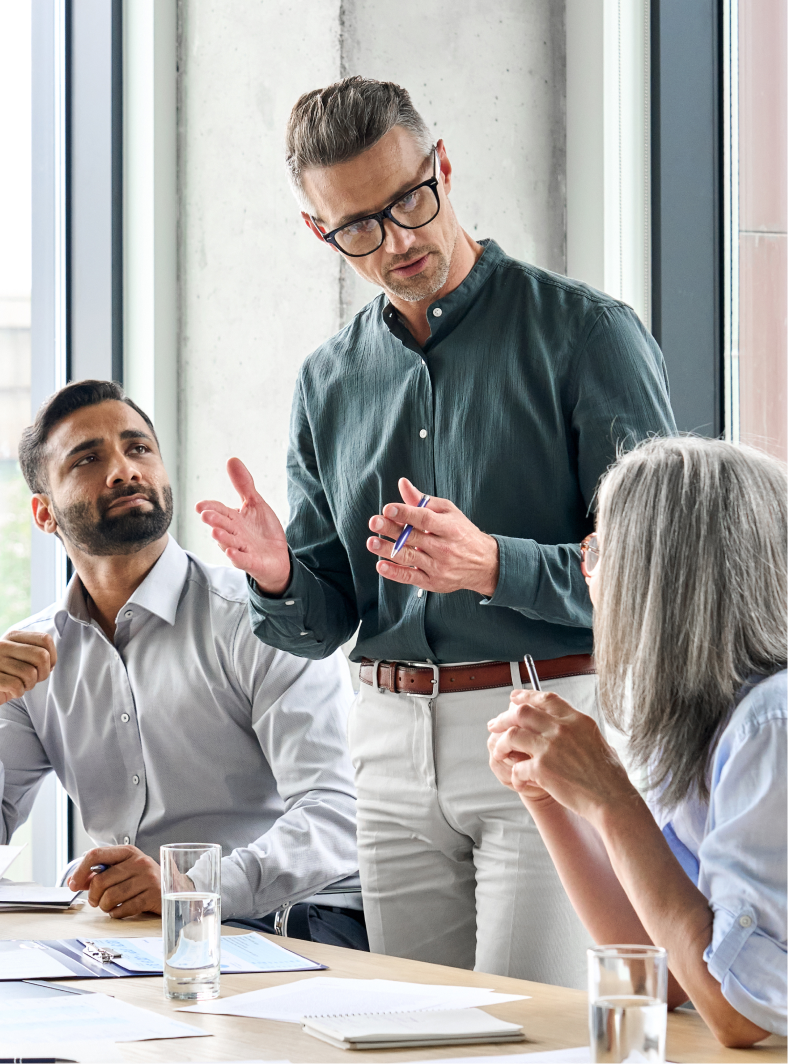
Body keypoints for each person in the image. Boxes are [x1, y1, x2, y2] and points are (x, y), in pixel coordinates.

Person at [196, 76, 676, 985]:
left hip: (551, 720)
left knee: (526, 1030)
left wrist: (495, 564)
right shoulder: (326, 381)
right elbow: (325, 615)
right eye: (360, 227)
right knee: (413, 1030)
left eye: (411, 200)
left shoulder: (587, 335)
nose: (400, 239)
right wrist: (274, 578)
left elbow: (659, 577)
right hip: (383, 744)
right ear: (320, 234)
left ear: (443, 166)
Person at [0, 380, 365, 948]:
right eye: (88, 459)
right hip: (132, 943)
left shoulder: (258, 621)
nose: (124, 470)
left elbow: (337, 813)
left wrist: (189, 887)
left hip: (287, 928)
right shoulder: (29, 656)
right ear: (44, 514)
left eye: (139, 448)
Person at [488, 435, 788, 1044]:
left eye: (598, 548)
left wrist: (610, 797)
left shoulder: (771, 724)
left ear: (659, 578)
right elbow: (662, 970)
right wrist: (547, 793)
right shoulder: (692, 722)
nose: (587, 570)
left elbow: (741, 1012)